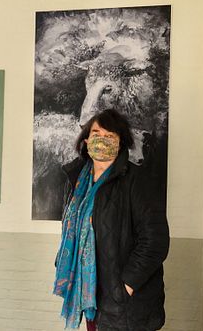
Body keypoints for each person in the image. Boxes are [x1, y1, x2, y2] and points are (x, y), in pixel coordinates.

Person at [53, 108, 169, 330]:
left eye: (110, 136)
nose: (102, 140)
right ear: (86, 140)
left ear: (121, 142)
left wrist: (126, 285)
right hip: (90, 295)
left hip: (126, 302)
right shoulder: (76, 181)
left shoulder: (137, 181)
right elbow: (70, 228)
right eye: (96, 134)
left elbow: (155, 240)